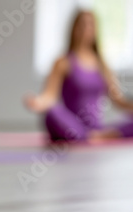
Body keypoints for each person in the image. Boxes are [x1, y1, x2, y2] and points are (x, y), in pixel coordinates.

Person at [25, 11, 133, 143]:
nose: (85, 29)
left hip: (96, 128)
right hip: (72, 124)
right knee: (53, 113)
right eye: (81, 25)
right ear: (73, 28)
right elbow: (49, 95)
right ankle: (89, 136)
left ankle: (95, 135)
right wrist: (37, 102)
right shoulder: (63, 62)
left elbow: (118, 99)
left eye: (90, 25)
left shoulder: (102, 65)